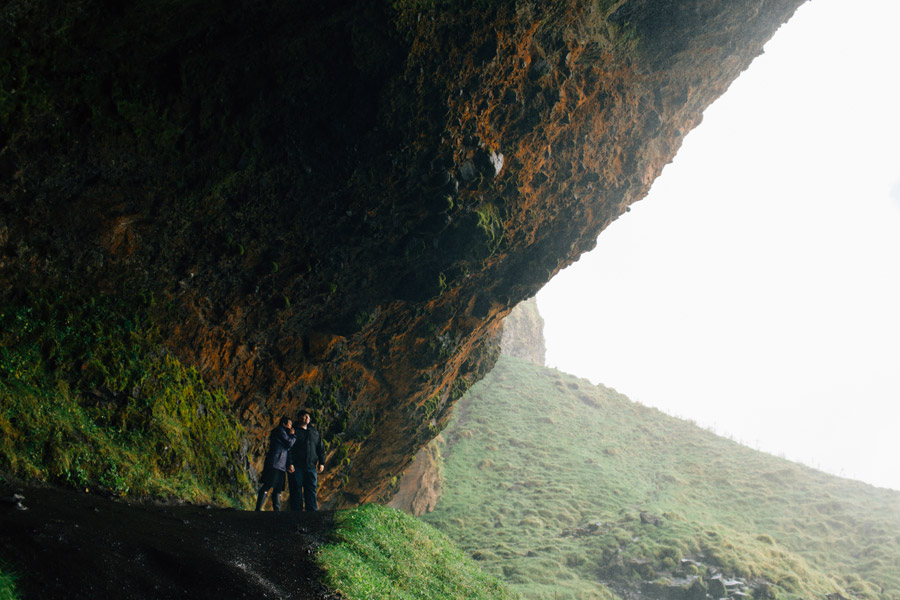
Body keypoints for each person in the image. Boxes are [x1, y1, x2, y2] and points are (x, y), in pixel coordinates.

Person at [286, 410, 326, 511]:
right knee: (296, 490)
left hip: (311, 467)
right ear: (299, 417)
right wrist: (290, 463)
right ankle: (297, 514)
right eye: (304, 416)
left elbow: (320, 448)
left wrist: (322, 462)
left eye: (308, 416)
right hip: (296, 466)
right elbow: (288, 448)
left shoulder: (314, 432)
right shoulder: (293, 431)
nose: (306, 418)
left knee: (311, 490)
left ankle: (312, 514)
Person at [254, 416, 296, 511]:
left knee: (278, 488)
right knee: (268, 484)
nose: (291, 427)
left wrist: (289, 463)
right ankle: (258, 509)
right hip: (275, 463)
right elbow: (289, 443)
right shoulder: (280, 431)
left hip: (281, 465)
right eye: (290, 424)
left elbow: (287, 449)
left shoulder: (284, 432)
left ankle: (276, 511)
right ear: (284, 424)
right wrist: (293, 435)